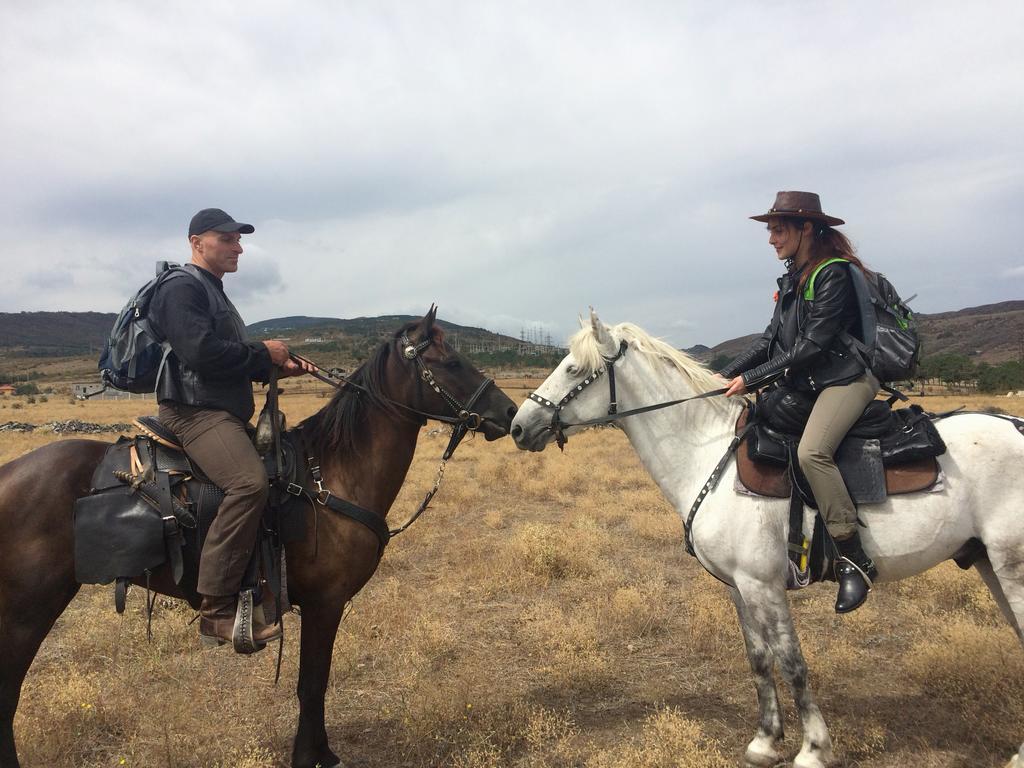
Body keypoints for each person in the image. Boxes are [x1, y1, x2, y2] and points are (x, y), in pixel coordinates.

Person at [149, 208, 312, 646]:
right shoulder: (182, 287)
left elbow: (224, 360)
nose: (238, 247)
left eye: (238, 240)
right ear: (196, 242)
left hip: (217, 408)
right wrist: (264, 352)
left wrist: (277, 366)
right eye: (227, 238)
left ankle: (260, 588)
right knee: (249, 483)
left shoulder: (212, 291)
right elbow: (201, 353)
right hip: (195, 412)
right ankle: (217, 610)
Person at [719, 191, 879, 613]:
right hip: (813, 382)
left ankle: (854, 558)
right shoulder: (794, 278)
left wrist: (751, 379)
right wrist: (722, 376)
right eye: (770, 230)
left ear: (806, 228)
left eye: (778, 229)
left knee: (813, 452)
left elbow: (813, 345)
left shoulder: (833, 275)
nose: (771, 239)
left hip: (846, 380)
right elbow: (769, 341)